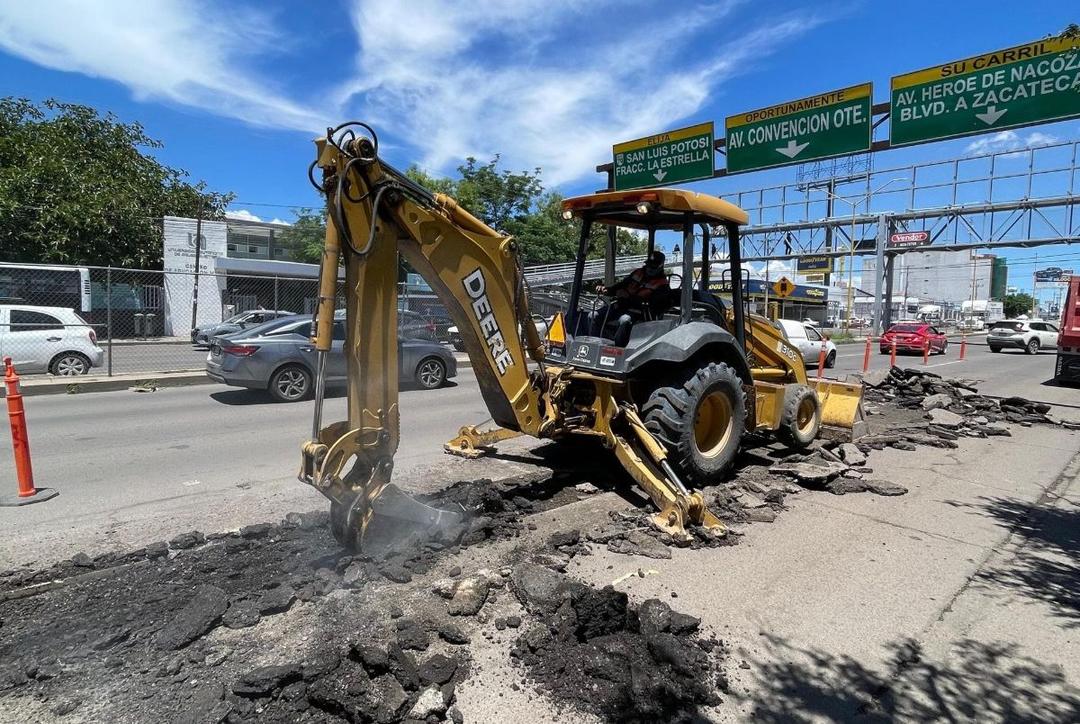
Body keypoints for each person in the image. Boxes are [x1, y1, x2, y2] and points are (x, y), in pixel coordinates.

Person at [587, 250, 671, 345]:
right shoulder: (637, 273)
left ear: (660, 266)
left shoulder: (662, 285)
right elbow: (621, 285)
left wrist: (630, 297)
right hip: (620, 306)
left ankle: (618, 347)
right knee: (593, 315)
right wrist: (607, 290)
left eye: (653, 266)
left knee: (625, 320)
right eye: (648, 265)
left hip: (640, 312)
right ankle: (595, 344)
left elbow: (655, 306)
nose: (649, 269)